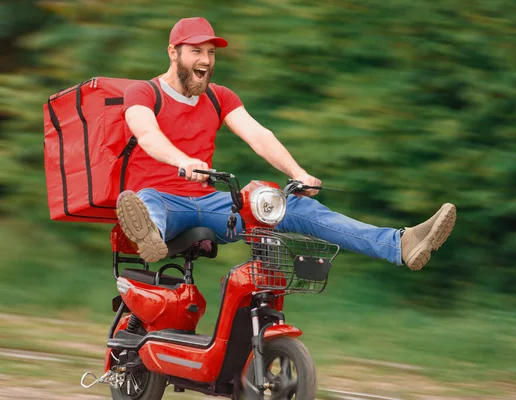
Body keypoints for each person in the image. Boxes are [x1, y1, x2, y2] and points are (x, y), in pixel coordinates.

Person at [117, 17, 457, 271]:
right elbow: (148, 135)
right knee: (147, 204)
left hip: (211, 203)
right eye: (196, 51)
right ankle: (150, 236)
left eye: (210, 52)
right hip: (162, 199)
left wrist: (298, 173)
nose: (206, 60)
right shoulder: (144, 92)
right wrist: (184, 161)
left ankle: (399, 244)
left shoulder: (220, 97)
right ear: (173, 52)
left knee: (291, 206)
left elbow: (258, 135)